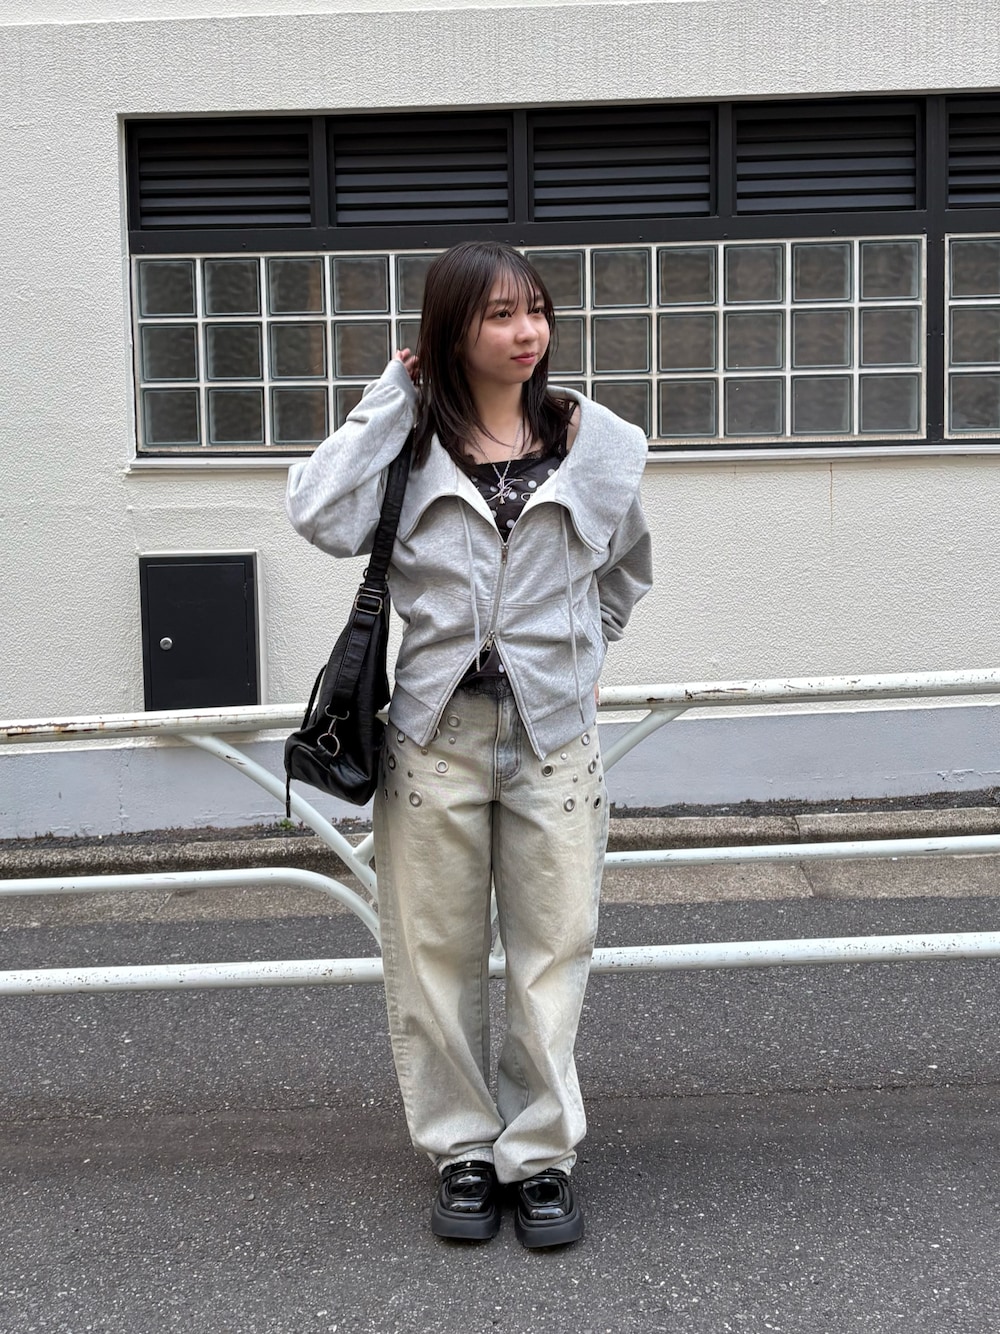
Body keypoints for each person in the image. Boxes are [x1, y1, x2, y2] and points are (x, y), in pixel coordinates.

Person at [286, 241, 652, 1248]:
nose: (526, 331)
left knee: (551, 954)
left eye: (535, 309)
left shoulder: (599, 444)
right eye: (498, 314)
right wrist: (390, 398)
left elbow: (625, 571)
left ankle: (539, 1156)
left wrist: (575, 659)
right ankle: (461, 1149)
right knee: (431, 955)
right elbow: (314, 510)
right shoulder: (410, 447)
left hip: (553, 740)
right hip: (432, 737)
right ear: (450, 331)